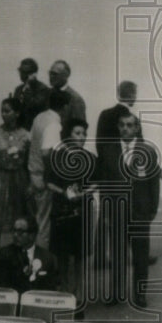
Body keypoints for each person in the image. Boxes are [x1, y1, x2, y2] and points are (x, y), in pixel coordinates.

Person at [95, 109, 162, 306]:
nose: (126, 129)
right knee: (118, 254)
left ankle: (139, 294)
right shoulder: (108, 151)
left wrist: (151, 210)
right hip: (116, 212)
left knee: (141, 255)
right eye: (122, 125)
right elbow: (104, 185)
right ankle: (116, 293)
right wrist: (106, 213)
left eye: (130, 125)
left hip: (140, 213)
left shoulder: (148, 151)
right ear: (118, 127)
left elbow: (153, 183)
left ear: (137, 128)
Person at [46, 118, 97, 295]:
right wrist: (64, 192)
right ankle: (65, 292)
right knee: (62, 253)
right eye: (77, 133)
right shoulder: (57, 157)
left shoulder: (91, 158)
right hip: (61, 210)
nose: (82, 137)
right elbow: (49, 183)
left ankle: (79, 293)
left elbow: (97, 183)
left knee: (80, 255)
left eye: (84, 134)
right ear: (68, 135)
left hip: (83, 211)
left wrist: (84, 193)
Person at [0, 96, 31, 249]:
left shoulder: (26, 135)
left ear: (17, 113)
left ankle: (18, 255)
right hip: (0, 179)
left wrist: (30, 183)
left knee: (19, 219)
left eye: (7, 111)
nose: (4, 114)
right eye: (2, 111)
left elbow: (29, 162)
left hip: (19, 179)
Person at [28, 89, 69, 248]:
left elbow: (30, 140)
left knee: (37, 218)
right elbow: (46, 152)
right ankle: (41, 260)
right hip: (43, 176)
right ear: (65, 107)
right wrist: (51, 175)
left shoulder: (39, 117)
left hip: (33, 172)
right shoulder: (54, 125)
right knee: (44, 222)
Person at [0, 215, 59, 295]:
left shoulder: (48, 258)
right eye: (14, 231)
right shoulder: (3, 255)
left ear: (32, 235)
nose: (15, 235)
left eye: (20, 232)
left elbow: (52, 289)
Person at [95, 80, 138, 177]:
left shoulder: (104, 114)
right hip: (126, 171)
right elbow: (139, 147)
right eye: (135, 94)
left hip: (106, 169)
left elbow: (99, 144)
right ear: (132, 95)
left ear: (119, 94)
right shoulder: (133, 120)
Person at [12, 58, 51, 130]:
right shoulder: (18, 89)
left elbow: (33, 107)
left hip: (36, 129)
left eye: (24, 72)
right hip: (20, 128)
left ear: (33, 74)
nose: (21, 74)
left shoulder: (43, 89)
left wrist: (28, 87)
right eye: (20, 71)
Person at [48, 60, 86, 131]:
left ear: (65, 76)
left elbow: (79, 132)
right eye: (50, 73)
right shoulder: (46, 94)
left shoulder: (76, 100)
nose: (51, 76)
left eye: (55, 74)